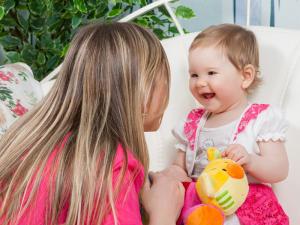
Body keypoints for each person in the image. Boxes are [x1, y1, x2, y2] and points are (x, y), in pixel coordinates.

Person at [0, 22, 184, 225]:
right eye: (163, 78)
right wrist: (164, 212)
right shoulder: (113, 169)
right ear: (142, 89)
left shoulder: (27, 142)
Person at [167, 24, 289, 225]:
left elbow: (279, 169)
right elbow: (179, 168)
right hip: (201, 208)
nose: (199, 82)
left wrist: (251, 161)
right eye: (194, 75)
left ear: (245, 76)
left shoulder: (259, 118)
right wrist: (170, 177)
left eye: (211, 73)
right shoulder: (192, 123)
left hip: (247, 206)